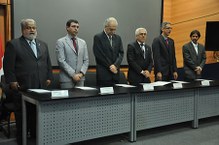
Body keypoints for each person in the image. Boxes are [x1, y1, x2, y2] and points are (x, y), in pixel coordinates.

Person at [3, 18, 53, 145]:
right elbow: (8, 66)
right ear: (22, 29)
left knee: (37, 118)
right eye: (28, 27)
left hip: (40, 87)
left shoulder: (43, 44)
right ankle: (22, 141)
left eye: (34, 27)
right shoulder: (14, 44)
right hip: (22, 88)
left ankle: (36, 140)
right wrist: (12, 82)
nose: (32, 30)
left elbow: (47, 63)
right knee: (22, 119)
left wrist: (49, 77)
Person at [56, 19, 89, 89]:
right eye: (73, 26)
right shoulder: (61, 42)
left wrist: (81, 74)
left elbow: (86, 60)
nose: (76, 28)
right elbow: (61, 61)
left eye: (77, 27)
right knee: (67, 100)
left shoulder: (83, 42)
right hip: (66, 79)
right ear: (67, 28)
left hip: (80, 79)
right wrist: (73, 75)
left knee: (80, 99)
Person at [93, 17, 124, 87]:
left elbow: (121, 53)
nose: (113, 31)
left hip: (115, 73)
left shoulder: (118, 38)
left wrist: (115, 65)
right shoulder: (98, 37)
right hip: (104, 74)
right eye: (111, 29)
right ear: (105, 27)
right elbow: (99, 55)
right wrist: (110, 66)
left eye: (115, 29)